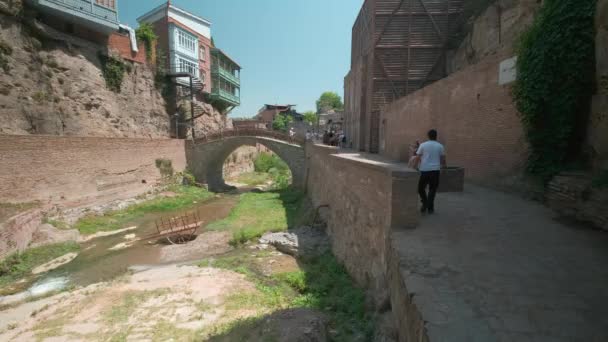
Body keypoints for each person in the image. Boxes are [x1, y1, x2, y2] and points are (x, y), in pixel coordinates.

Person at [415, 129, 446, 214]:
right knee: (432, 189)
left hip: (424, 170)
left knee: (420, 188)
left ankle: (425, 202)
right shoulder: (440, 146)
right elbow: (443, 159)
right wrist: (443, 168)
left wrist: (414, 167)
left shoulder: (423, 145)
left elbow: (418, 157)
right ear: (436, 136)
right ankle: (430, 207)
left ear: (428, 136)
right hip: (435, 171)